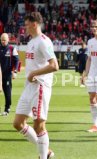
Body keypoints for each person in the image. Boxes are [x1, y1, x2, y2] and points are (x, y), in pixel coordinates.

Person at [13, 12, 58, 158]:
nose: (24, 28)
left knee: (38, 125)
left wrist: (34, 74)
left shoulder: (44, 41)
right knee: (18, 123)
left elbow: (54, 65)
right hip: (29, 87)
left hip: (40, 86)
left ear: (34, 24)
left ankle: (43, 156)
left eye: (26, 25)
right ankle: (47, 151)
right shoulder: (31, 42)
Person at [0, 33, 19, 116]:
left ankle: (7, 109)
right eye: (2, 40)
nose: (3, 41)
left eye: (4, 40)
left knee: (7, 92)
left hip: (7, 74)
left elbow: (17, 61)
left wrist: (15, 71)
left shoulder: (12, 48)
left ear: (8, 40)